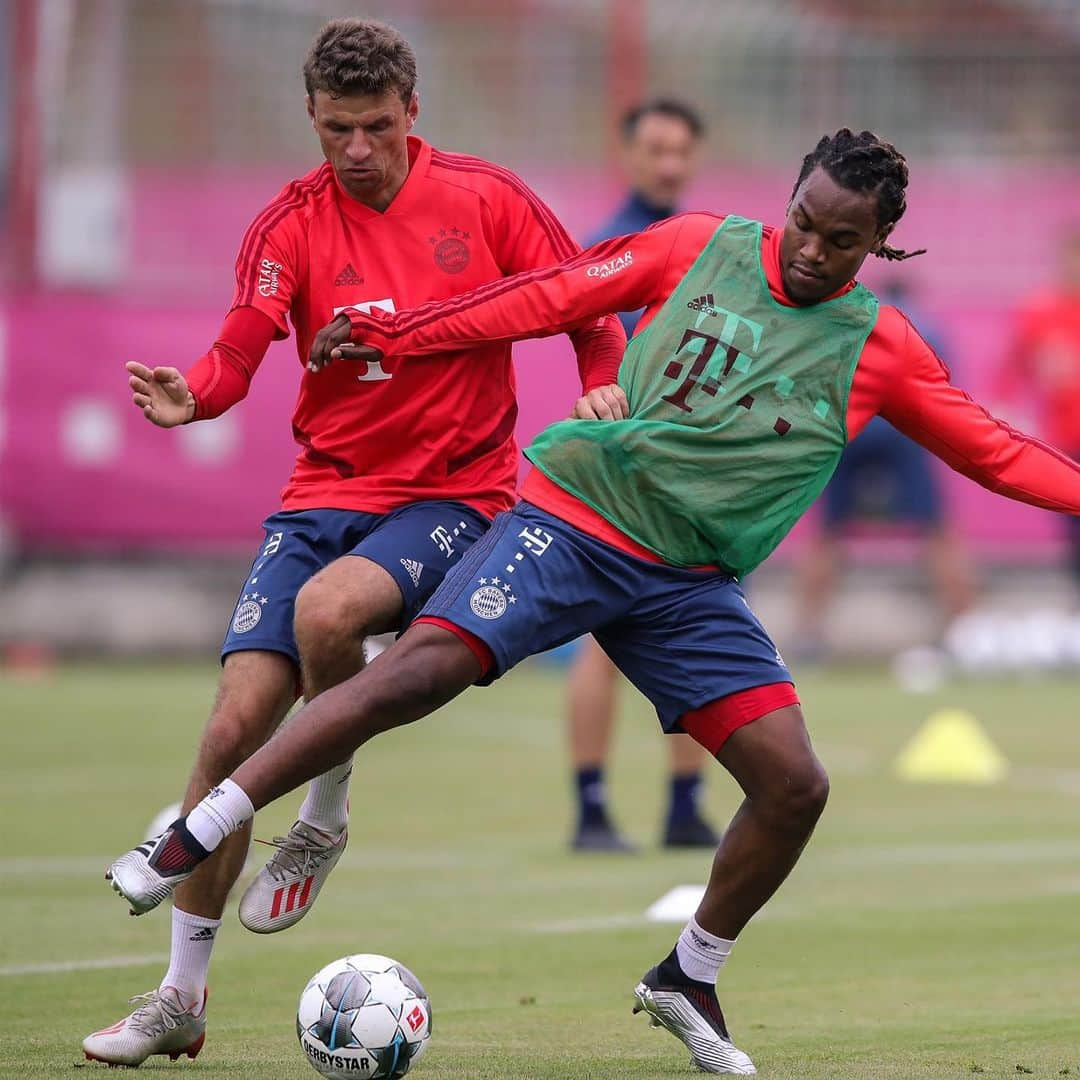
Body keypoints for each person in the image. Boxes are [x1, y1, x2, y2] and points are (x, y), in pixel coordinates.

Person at [104, 130, 1080, 1075]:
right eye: (804, 222)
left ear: (880, 245)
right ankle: (199, 826)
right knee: (419, 674)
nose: (814, 250)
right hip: (577, 519)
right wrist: (405, 331)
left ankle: (687, 977)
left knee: (795, 786)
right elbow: (547, 297)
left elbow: (994, 450)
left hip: (686, 584)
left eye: (842, 240)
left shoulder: (882, 347)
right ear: (788, 200)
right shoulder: (700, 245)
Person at [82, 18, 624, 1068]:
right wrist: (195, 394)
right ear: (313, 120)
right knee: (235, 724)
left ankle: (324, 811)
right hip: (321, 493)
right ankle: (179, 999)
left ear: (414, 114)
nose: (358, 149)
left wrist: (599, 373)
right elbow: (244, 342)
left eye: (377, 126)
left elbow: (590, 299)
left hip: (453, 492)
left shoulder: (487, 199)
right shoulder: (289, 222)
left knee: (329, 612)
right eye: (339, 129)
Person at [570, 98, 716, 852]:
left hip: (691, 479)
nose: (667, 163)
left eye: (679, 151)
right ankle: (591, 807)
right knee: (605, 640)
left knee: (700, 631)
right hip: (624, 472)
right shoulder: (610, 245)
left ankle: (685, 804)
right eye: (654, 148)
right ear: (627, 153)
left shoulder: (705, 251)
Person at [793, 276, 975, 657]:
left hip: (850, 429)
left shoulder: (850, 321)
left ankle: (808, 634)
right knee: (936, 532)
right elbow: (942, 389)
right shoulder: (923, 326)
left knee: (827, 534)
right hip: (901, 433)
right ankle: (964, 632)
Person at [997, 225, 1080, 588]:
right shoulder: (1039, 311)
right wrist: (1008, 408)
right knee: (1073, 530)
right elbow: (1013, 370)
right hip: (1066, 440)